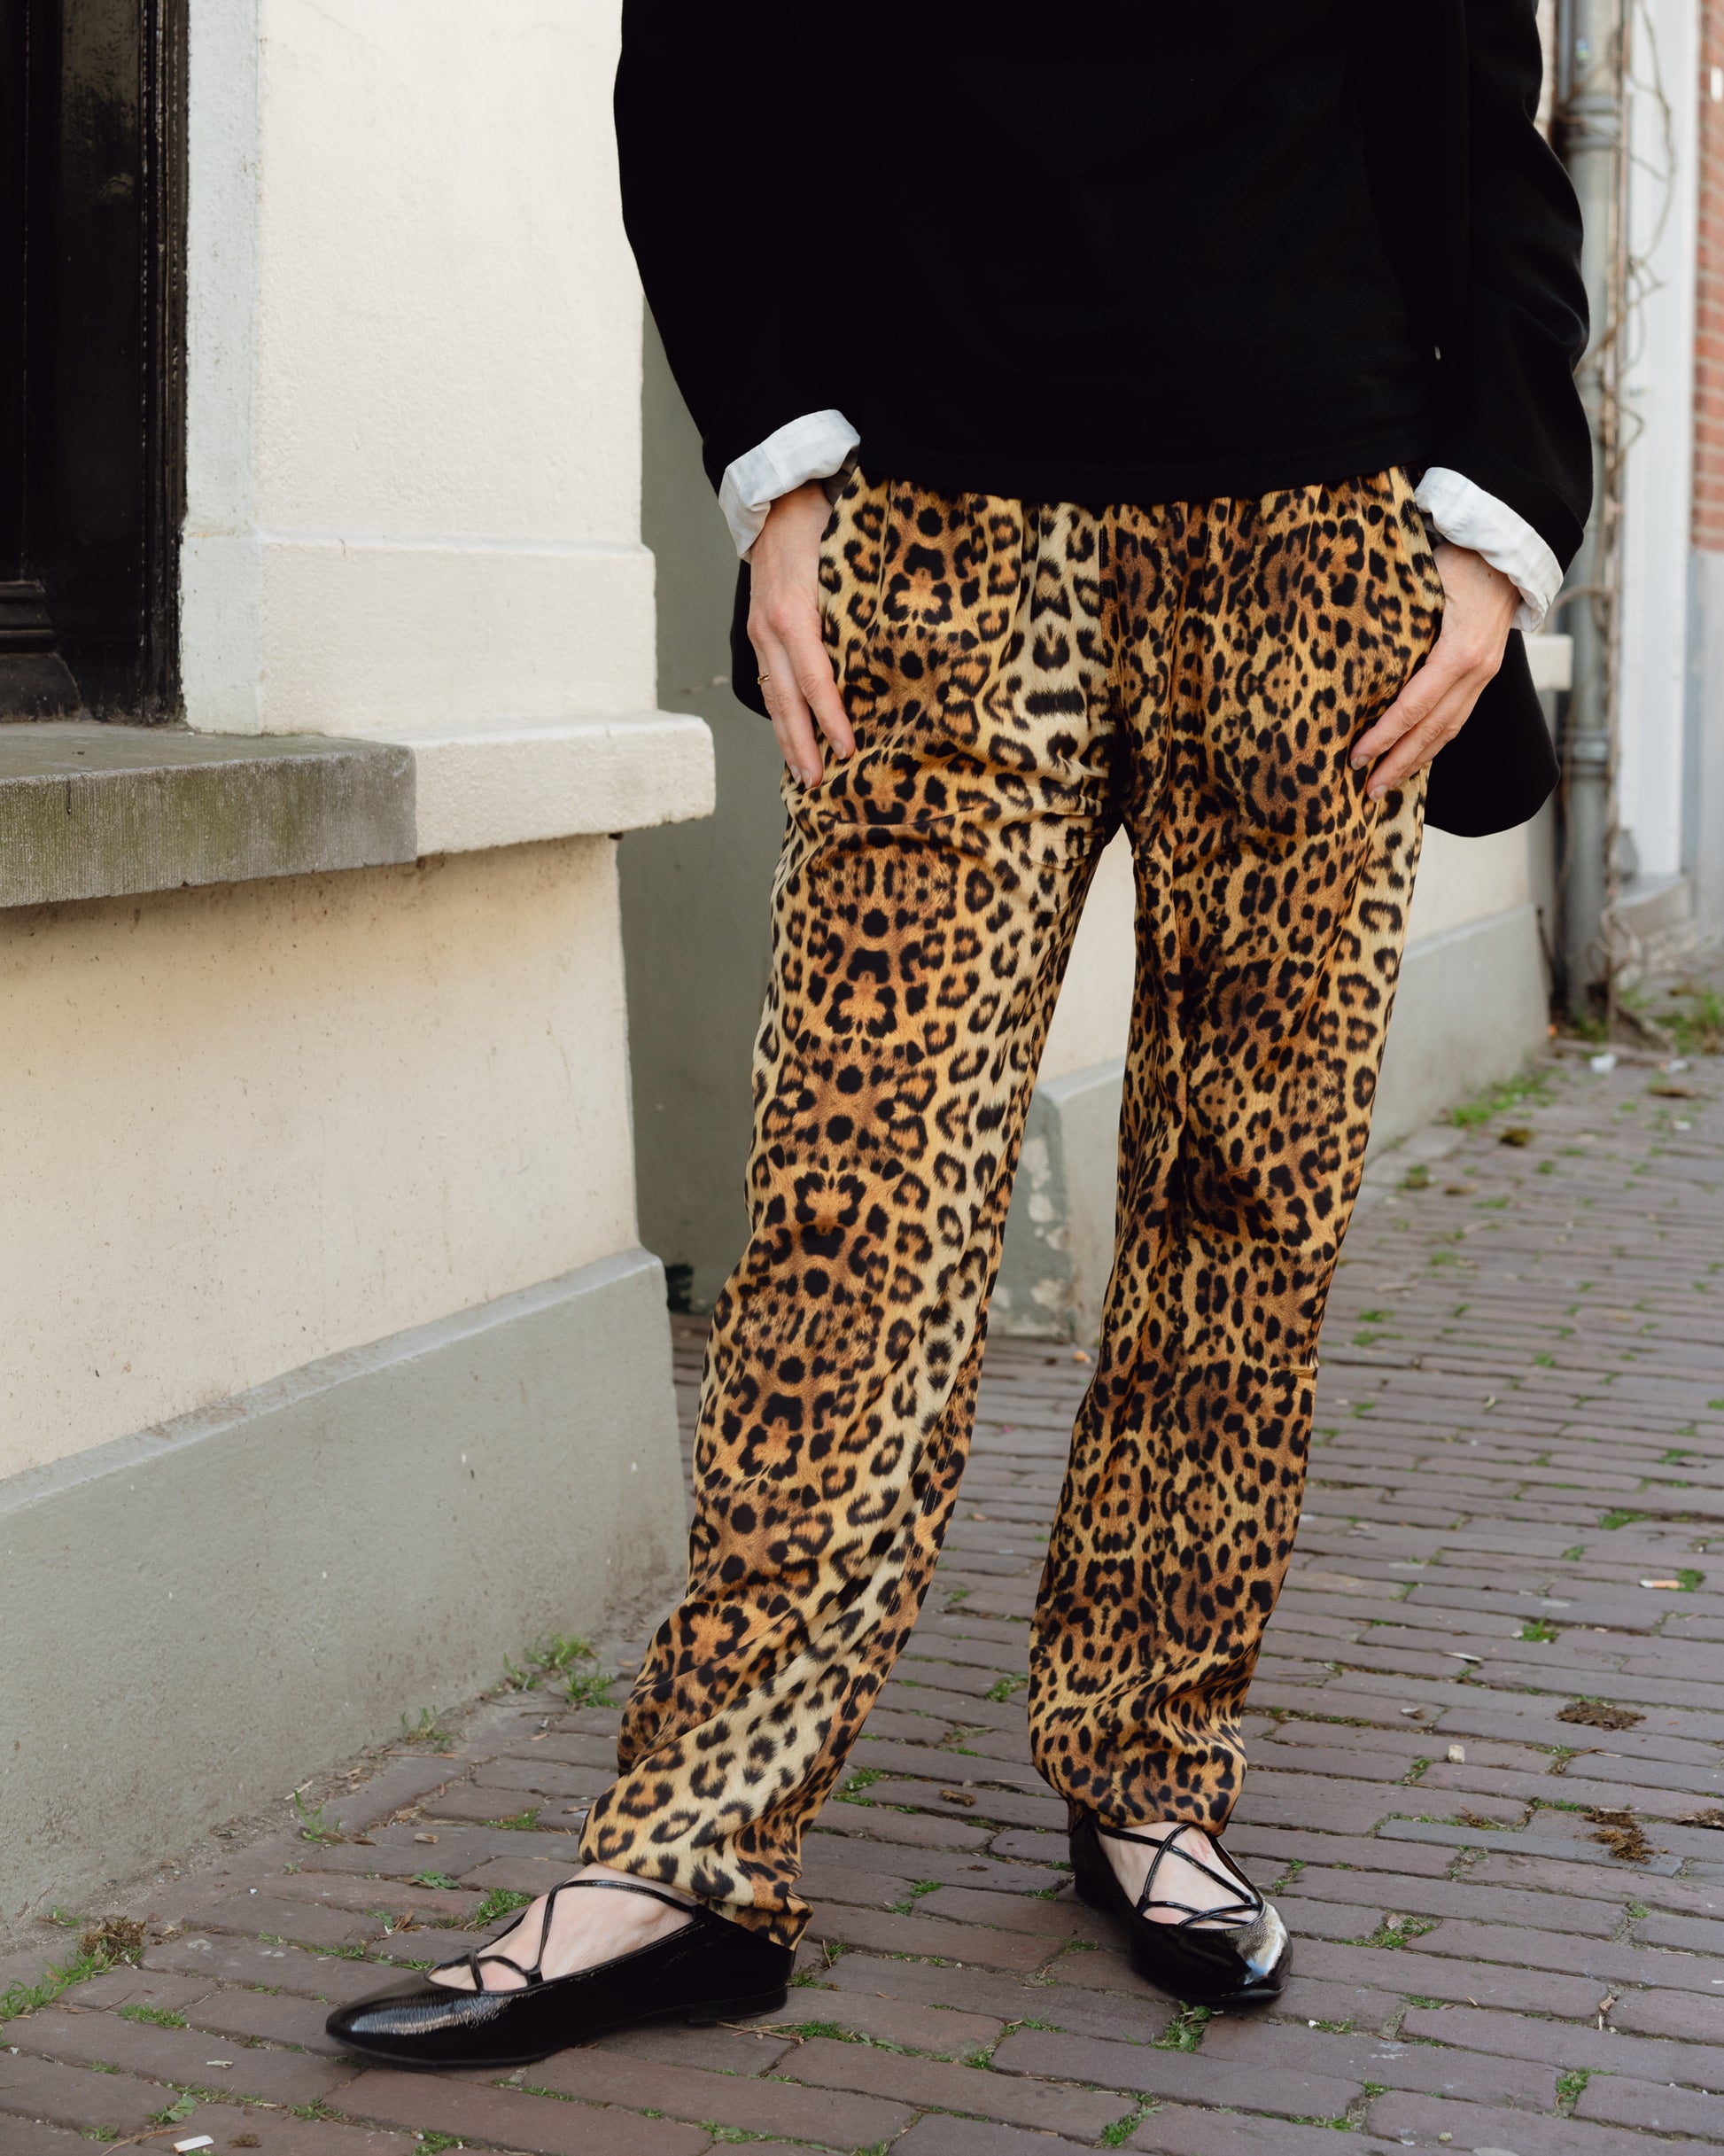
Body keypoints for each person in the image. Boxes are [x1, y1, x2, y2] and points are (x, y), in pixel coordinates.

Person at [330, 0, 1591, 2069]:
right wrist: (776, 461)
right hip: (935, 527)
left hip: (1319, 544)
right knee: (854, 1209)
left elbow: (1490, 134)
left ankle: (1149, 1768)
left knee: (1242, 1208)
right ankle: (688, 1852)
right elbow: (703, 73)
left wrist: (1490, 529)